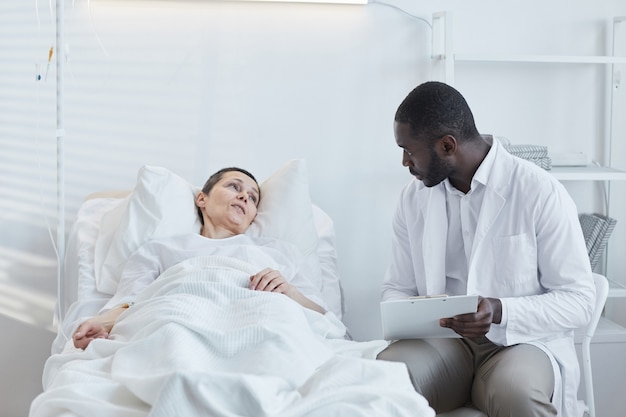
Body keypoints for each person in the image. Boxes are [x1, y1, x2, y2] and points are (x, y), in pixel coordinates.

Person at [376, 81, 596, 417]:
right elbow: (398, 288)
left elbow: (579, 301)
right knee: (387, 379)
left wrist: (499, 310)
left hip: (522, 342)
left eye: (409, 150)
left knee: (516, 394)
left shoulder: (539, 192)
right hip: (443, 344)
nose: (405, 161)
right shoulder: (413, 198)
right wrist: (412, 315)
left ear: (447, 145)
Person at [73, 167, 327, 350]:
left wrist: (288, 292)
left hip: (262, 325)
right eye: (234, 187)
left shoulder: (280, 253)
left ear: (253, 216)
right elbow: (130, 301)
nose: (244, 197)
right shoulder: (160, 249)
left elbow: (324, 319)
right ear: (202, 199)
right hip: (177, 324)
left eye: (252, 198)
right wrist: (101, 323)